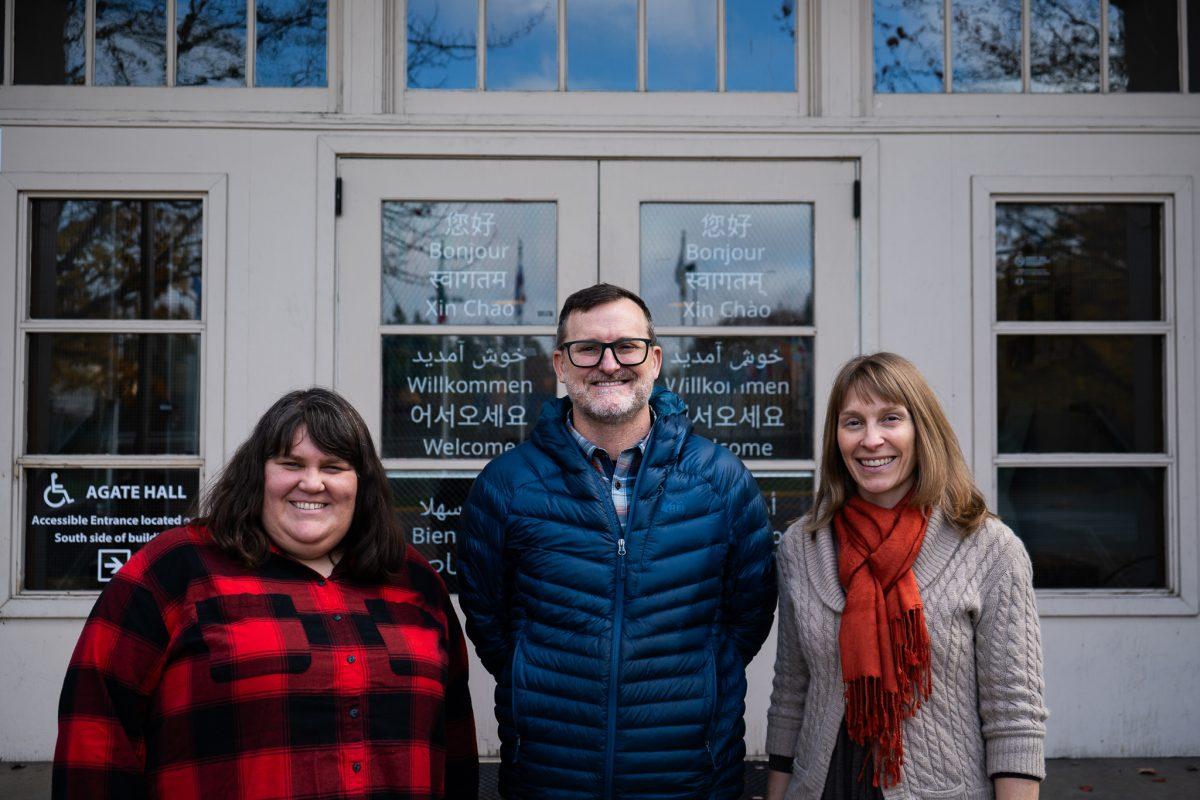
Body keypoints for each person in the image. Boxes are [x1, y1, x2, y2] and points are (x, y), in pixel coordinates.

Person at [53, 388, 478, 799]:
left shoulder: (415, 581)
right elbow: (96, 729)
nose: (312, 483)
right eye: (291, 463)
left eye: (333, 466)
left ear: (361, 483)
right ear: (258, 473)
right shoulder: (175, 570)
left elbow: (455, 744)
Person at [458, 283, 776, 799]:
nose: (608, 364)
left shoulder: (720, 481)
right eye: (587, 349)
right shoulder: (507, 485)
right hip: (551, 775)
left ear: (654, 360)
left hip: (689, 776)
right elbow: (489, 619)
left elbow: (748, 617)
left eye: (625, 346)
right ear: (560, 364)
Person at [766, 353, 1048, 800]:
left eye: (891, 419)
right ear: (836, 437)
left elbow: (1014, 714)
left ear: (922, 430)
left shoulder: (989, 548)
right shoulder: (805, 544)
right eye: (853, 422)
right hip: (824, 787)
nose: (871, 439)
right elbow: (790, 691)